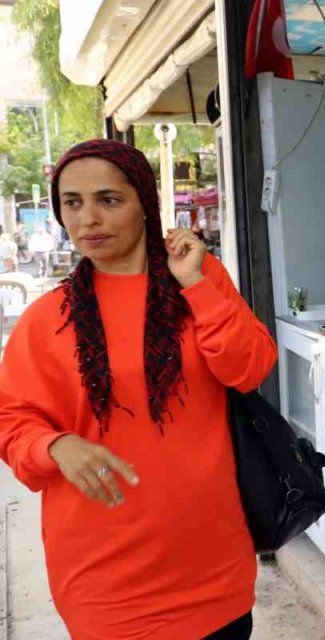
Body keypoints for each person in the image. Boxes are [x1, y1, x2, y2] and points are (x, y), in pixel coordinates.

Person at [0, 140, 278, 639]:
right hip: (103, 582)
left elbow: (250, 368)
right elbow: (10, 420)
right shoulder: (46, 320)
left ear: (144, 204)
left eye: (108, 200)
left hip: (211, 565)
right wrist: (55, 445)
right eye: (72, 202)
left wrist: (195, 286)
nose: (88, 219)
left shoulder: (198, 280)